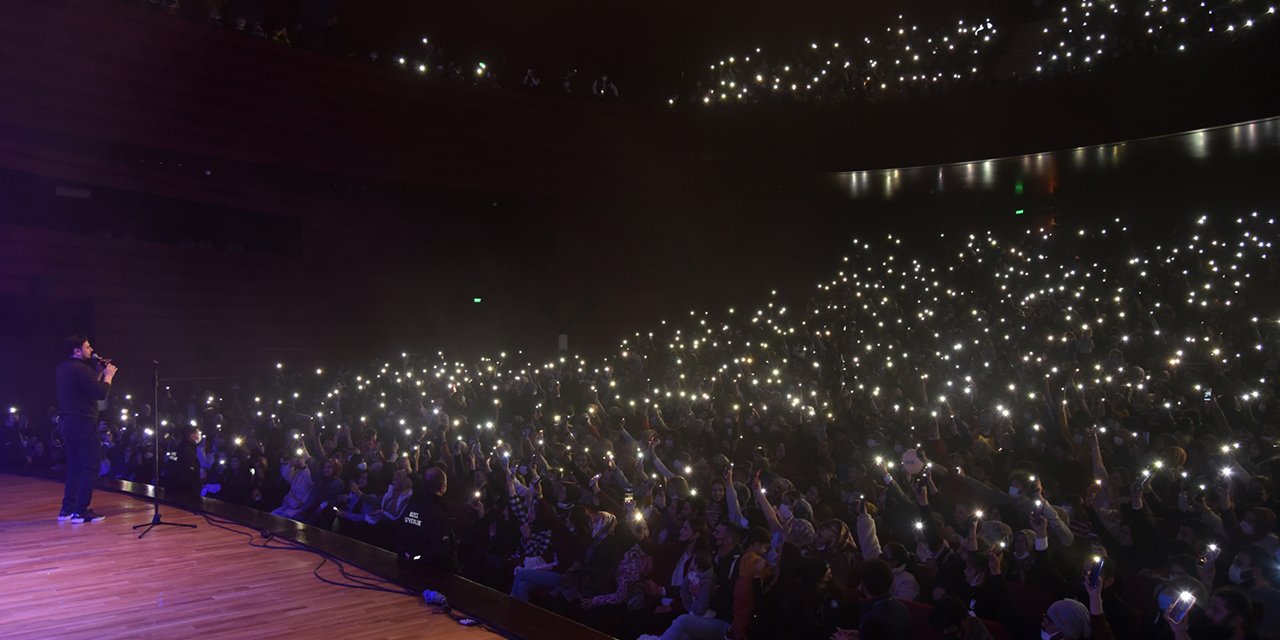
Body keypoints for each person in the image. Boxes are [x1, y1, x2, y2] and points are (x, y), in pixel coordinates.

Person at [56, 334, 115, 523]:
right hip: (83, 422)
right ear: (77, 351)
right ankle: (80, 511)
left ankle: (67, 510)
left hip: (68, 422)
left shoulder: (64, 368)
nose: (91, 350)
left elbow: (85, 389)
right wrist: (108, 376)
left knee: (75, 466)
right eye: (87, 347)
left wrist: (97, 372)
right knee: (90, 466)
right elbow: (100, 393)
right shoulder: (81, 370)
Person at [398, 466, 458, 572]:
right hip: (430, 574)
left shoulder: (411, 506)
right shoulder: (438, 515)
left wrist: (409, 556)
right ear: (443, 487)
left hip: (405, 567)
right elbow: (440, 551)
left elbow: (400, 535)